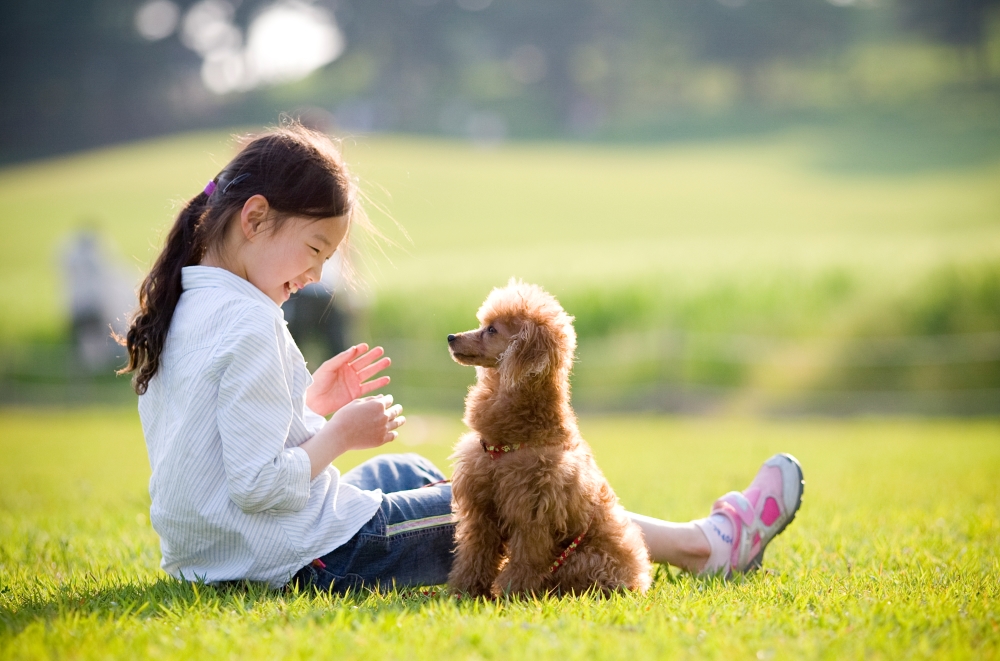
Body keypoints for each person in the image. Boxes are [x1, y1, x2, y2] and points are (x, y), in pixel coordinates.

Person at [120, 122, 803, 594]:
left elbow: (225, 443)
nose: (318, 277)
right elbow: (257, 484)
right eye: (315, 251)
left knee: (413, 468)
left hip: (210, 553)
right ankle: (706, 544)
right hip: (299, 556)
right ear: (255, 216)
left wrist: (310, 406)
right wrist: (338, 433)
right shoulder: (248, 320)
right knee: (496, 505)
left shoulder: (186, 300)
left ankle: (696, 541)